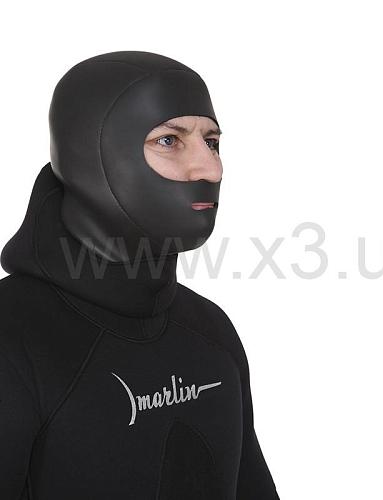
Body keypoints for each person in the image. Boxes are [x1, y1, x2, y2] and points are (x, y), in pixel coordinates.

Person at [0, 51, 280, 499]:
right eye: (169, 140)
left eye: (212, 142)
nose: (211, 168)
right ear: (88, 155)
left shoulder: (211, 332)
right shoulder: (11, 341)